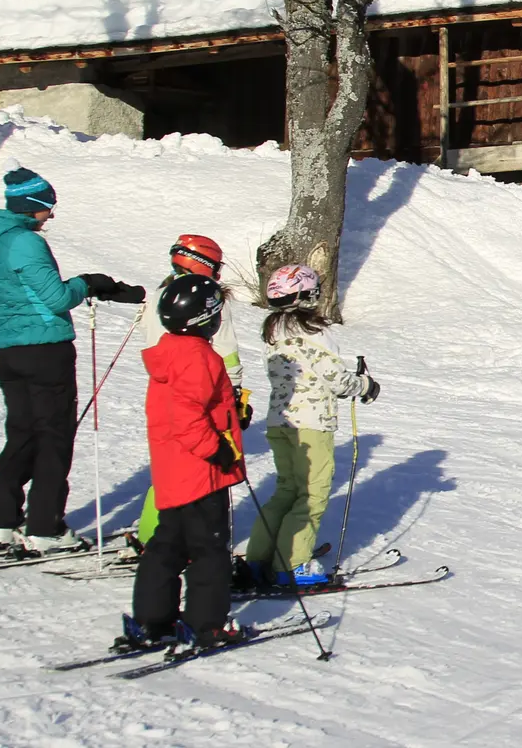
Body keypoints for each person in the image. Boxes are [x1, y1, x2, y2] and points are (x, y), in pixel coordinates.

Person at [0, 167, 144, 556]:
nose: (51, 215)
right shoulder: (24, 243)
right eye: (48, 207)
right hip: (45, 350)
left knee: (23, 433)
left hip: (10, 350)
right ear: (32, 207)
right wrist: (88, 282)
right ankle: (45, 527)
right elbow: (57, 299)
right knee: (53, 437)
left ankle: (2, 521)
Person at [119, 274, 245, 653]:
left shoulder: (170, 349)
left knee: (168, 544)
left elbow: (191, 406)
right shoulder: (199, 356)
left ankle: (152, 618)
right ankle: (206, 625)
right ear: (205, 319)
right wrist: (216, 449)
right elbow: (188, 416)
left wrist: (233, 413)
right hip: (200, 471)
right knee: (209, 549)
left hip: (174, 468)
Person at [240, 264, 379, 589]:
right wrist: (364, 385)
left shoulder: (273, 332)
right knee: (312, 495)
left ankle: (259, 559)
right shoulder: (317, 333)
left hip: (279, 422)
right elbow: (336, 379)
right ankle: (291, 563)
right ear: (307, 296)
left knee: (286, 490)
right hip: (312, 425)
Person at [133, 236, 250, 553]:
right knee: (199, 476)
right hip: (204, 390)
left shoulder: (162, 295)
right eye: (216, 267)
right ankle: (190, 547)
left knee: (167, 470)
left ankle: (151, 535)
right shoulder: (205, 300)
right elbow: (226, 351)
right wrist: (235, 392)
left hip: (163, 388)